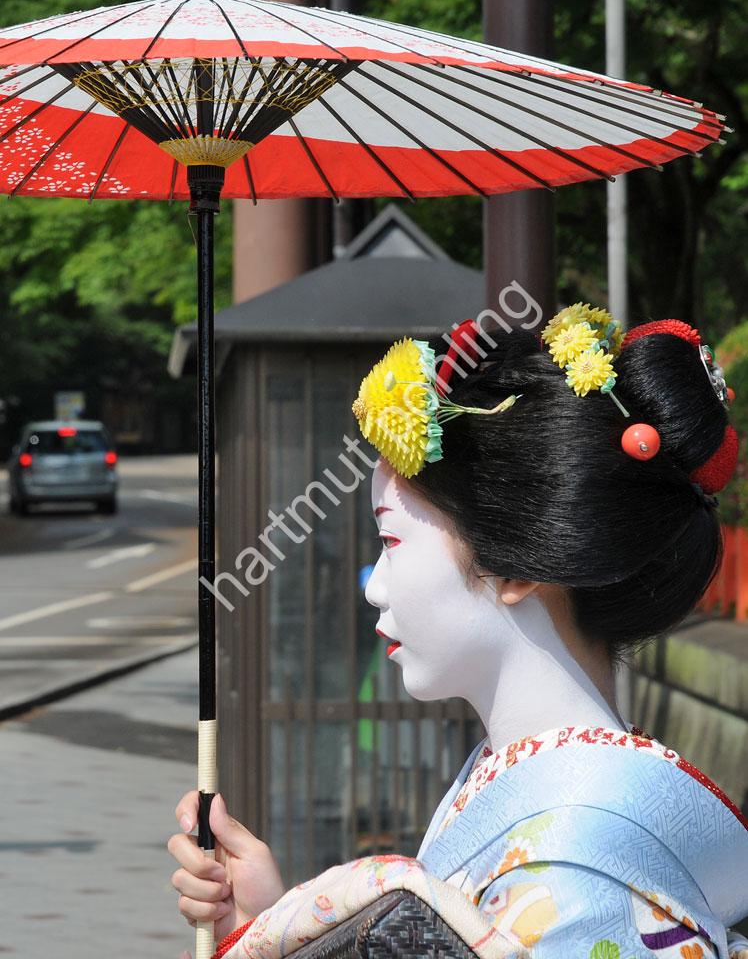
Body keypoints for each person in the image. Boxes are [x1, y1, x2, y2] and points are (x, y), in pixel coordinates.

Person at [169, 304, 748, 959]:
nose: (372, 585)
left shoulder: (578, 869)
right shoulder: (542, 793)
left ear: (510, 562)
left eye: (391, 540)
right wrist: (273, 924)